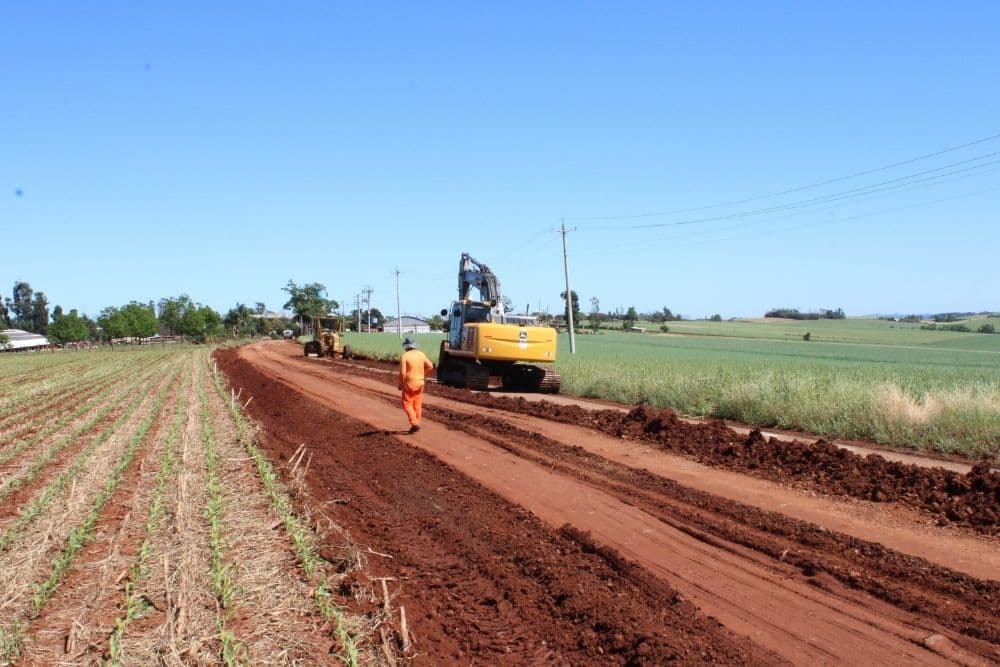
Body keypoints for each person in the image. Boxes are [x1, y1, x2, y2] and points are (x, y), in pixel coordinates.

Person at [398, 336, 434, 433]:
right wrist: (423, 375)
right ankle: (417, 422)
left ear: (406, 347)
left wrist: (400, 384)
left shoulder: (405, 356)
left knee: (406, 404)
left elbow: (402, 373)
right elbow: (430, 366)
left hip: (410, 383)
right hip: (420, 382)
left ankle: (414, 423)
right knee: (417, 404)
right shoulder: (421, 354)